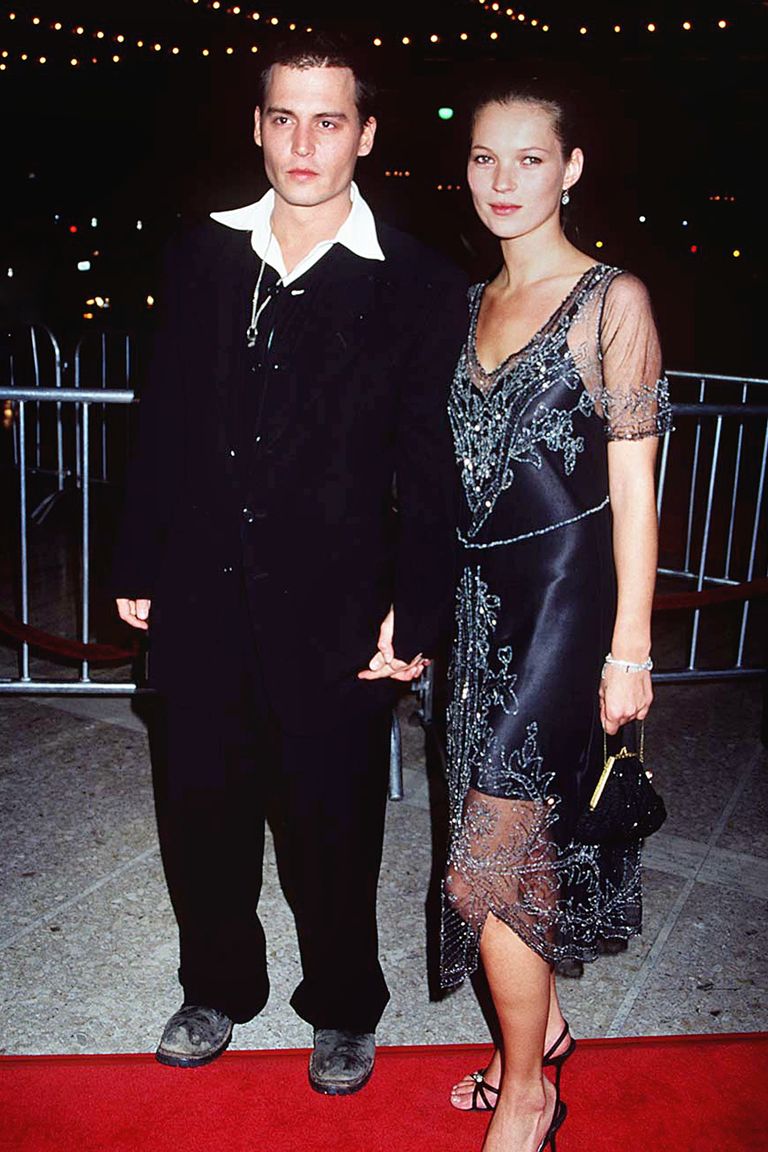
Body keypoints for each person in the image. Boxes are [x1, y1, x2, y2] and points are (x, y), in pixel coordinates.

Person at [112, 32, 467, 1094]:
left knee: (332, 828)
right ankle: (217, 987)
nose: (301, 141)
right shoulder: (200, 254)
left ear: (364, 133)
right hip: (200, 596)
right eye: (282, 117)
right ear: (257, 126)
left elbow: (432, 466)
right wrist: (137, 555)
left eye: (327, 120)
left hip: (339, 606)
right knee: (200, 811)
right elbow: (161, 421)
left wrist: (417, 607)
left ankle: (346, 1006)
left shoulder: (416, 282)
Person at [440, 82, 672, 1151]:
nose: (503, 180)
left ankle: (529, 1095)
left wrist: (631, 649)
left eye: (529, 160)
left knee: (485, 857)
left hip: (568, 612)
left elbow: (634, 487)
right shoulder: (466, 301)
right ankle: (536, 1037)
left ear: (570, 169)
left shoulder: (610, 299)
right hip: (476, 608)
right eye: (487, 159)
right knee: (506, 848)